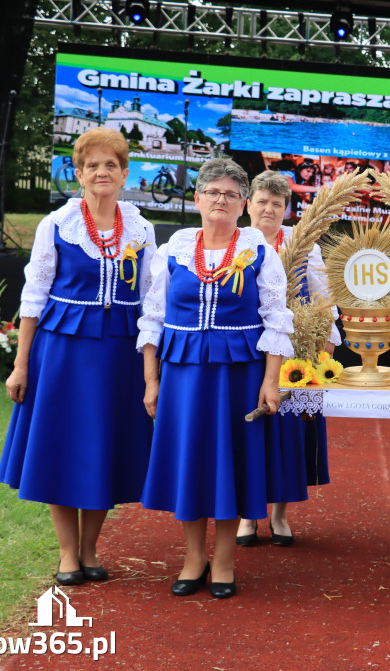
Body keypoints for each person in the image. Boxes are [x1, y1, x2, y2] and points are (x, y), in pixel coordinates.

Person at [0, 127, 156, 586]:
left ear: (125, 174)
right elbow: (34, 297)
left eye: (111, 165)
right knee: (62, 447)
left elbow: (151, 303)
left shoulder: (142, 229)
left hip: (118, 356)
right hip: (62, 352)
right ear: (80, 175)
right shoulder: (57, 224)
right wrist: (20, 364)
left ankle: (90, 549)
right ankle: (68, 553)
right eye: (93, 166)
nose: (102, 172)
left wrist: (151, 372)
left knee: (103, 447)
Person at [137, 158, 294, 599]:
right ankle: (193, 557)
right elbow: (153, 320)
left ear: (243, 204)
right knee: (191, 462)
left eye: (230, 194)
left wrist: (271, 381)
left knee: (230, 463)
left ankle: (223, 559)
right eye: (212, 192)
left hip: (238, 374)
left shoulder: (259, 251)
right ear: (197, 199)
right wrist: (152, 381)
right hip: (184, 374)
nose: (220, 200)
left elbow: (277, 321)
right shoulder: (174, 250)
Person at [236, 170, 340, 547]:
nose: (268, 209)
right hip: (247, 351)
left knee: (287, 434)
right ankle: (248, 516)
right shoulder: (237, 242)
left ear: (286, 209)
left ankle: (279, 514)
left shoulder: (304, 243)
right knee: (250, 430)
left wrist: (324, 351)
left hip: (296, 353)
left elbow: (324, 298)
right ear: (248, 205)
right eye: (262, 201)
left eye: (276, 204)